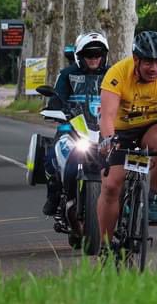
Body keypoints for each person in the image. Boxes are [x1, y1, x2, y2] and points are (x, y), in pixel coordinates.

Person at [97, 31, 157, 241]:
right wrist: (109, 139)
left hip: (151, 127)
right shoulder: (117, 73)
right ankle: (105, 246)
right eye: (148, 62)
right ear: (136, 59)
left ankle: (153, 196)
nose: (154, 68)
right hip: (120, 131)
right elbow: (107, 115)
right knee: (111, 186)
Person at [42, 31, 109, 216]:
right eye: (89, 55)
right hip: (73, 128)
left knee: (124, 165)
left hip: (105, 131)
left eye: (98, 54)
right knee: (51, 158)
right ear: (80, 56)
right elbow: (56, 99)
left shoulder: (113, 74)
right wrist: (55, 109)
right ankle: (54, 195)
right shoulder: (67, 74)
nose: (94, 58)